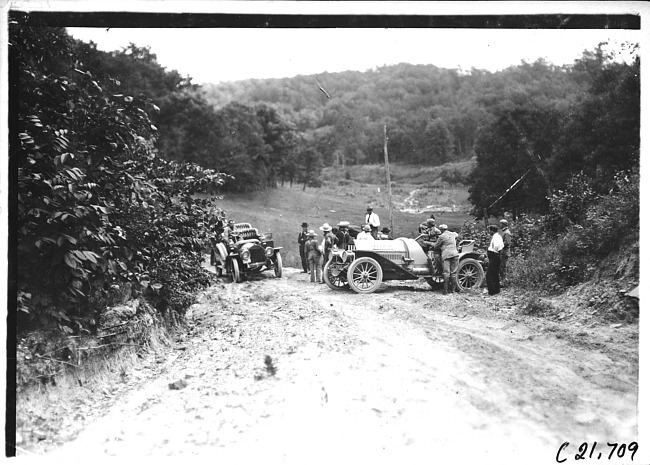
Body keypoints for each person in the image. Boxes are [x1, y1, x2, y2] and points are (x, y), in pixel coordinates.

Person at [433, 224, 461, 294]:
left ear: (441, 230)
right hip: (455, 254)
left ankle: (445, 291)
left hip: (446, 255)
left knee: (446, 273)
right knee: (453, 273)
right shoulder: (453, 234)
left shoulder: (441, 236)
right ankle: (453, 291)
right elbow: (457, 235)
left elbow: (436, 246)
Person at [486, 224, 504, 296]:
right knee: (495, 273)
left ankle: (492, 291)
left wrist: (493, 251)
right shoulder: (498, 236)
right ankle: (496, 289)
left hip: (494, 255)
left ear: (492, 231)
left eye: (490, 230)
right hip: (496, 255)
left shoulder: (496, 238)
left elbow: (497, 246)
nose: (489, 232)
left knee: (489, 274)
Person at [498, 219, 512, 287]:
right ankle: (502, 281)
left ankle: (504, 282)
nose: (499, 225)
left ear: (503, 224)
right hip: (501, 252)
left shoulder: (507, 232)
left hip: (504, 252)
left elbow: (507, 242)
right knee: (501, 267)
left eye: (501, 224)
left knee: (503, 267)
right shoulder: (502, 232)